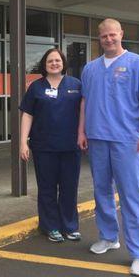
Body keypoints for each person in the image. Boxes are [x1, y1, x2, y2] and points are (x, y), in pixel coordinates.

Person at [77, 18, 139, 277]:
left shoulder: (138, 64)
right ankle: (108, 237)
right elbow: (84, 102)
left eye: (113, 35)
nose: (109, 39)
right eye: (104, 36)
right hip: (98, 139)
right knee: (102, 191)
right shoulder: (89, 69)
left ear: (121, 34)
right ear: (98, 38)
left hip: (127, 139)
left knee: (130, 196)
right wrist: (81, 131)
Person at [19, 48, 83, 243]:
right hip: (43, 147)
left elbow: (84, 112)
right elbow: (27, 114)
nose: (54, 63)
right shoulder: (36, 87)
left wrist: (84, 135)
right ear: (44, 65)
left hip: (71, 146)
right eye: (50, 61)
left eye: (57, 60)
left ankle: (70, 226)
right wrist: (23, 142)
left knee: (69, 188)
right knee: (47, 188)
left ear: (63, 63)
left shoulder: (76, 84)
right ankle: (50, 226)